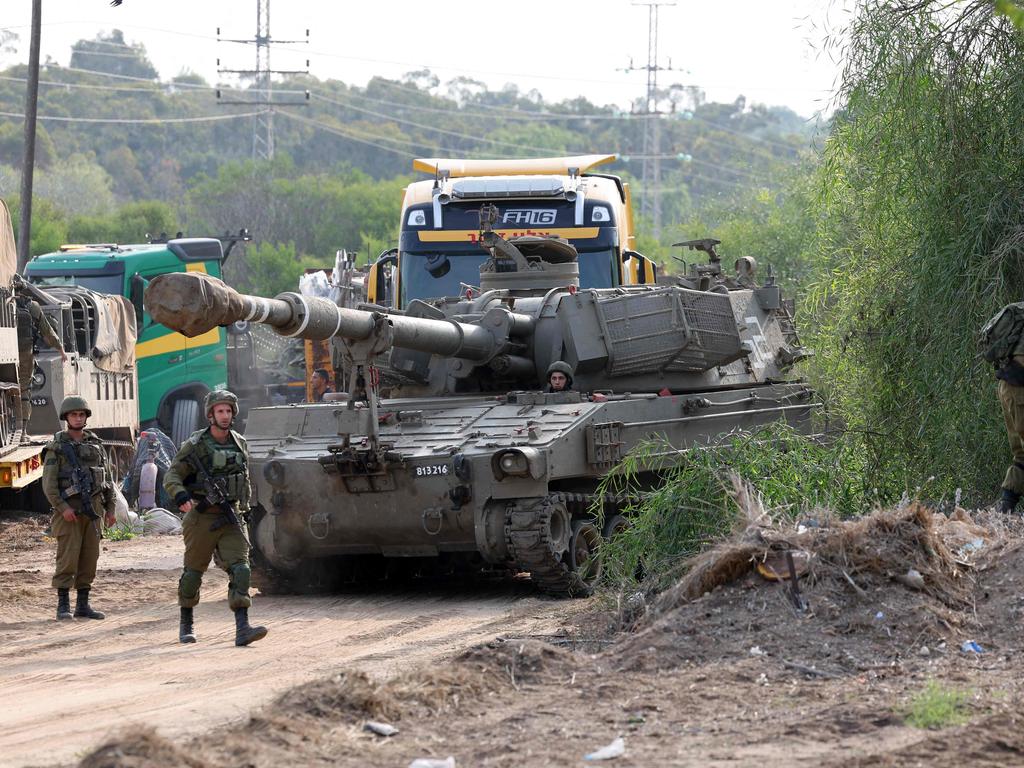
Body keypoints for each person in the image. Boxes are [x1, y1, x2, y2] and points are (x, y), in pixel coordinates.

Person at [163, 390, 267, 646]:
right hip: (202, 518)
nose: (224, 415)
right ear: (211, 414)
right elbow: (172, 476)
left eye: (228, 411)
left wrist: (245, 509)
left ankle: (243, 628)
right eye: (220, 411)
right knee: (193, 573)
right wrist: (181, 497)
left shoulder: (240, 442)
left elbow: (245, 480)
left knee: (241, 570)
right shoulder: (196, 445)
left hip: (232, 517)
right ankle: (186, 622)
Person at [41, 396, 116, 621]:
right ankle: (63, 605)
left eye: (81, 414)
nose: (78, 418)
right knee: (67, 558)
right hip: (69, 513)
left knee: (89, 559)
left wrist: (110, 509)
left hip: (93, 511)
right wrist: (63, 508)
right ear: (66, 417)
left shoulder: (96, 446)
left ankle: (83, 605)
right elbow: (49, 485)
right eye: (73, 414)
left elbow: (108, 481)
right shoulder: (57, 448)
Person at [13, 275, 66, 437]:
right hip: (24, 354)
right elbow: (48, 334)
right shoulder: (32, 307)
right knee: (24, 390)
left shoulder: (5, 305)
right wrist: (61, 350)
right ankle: (21, 431)